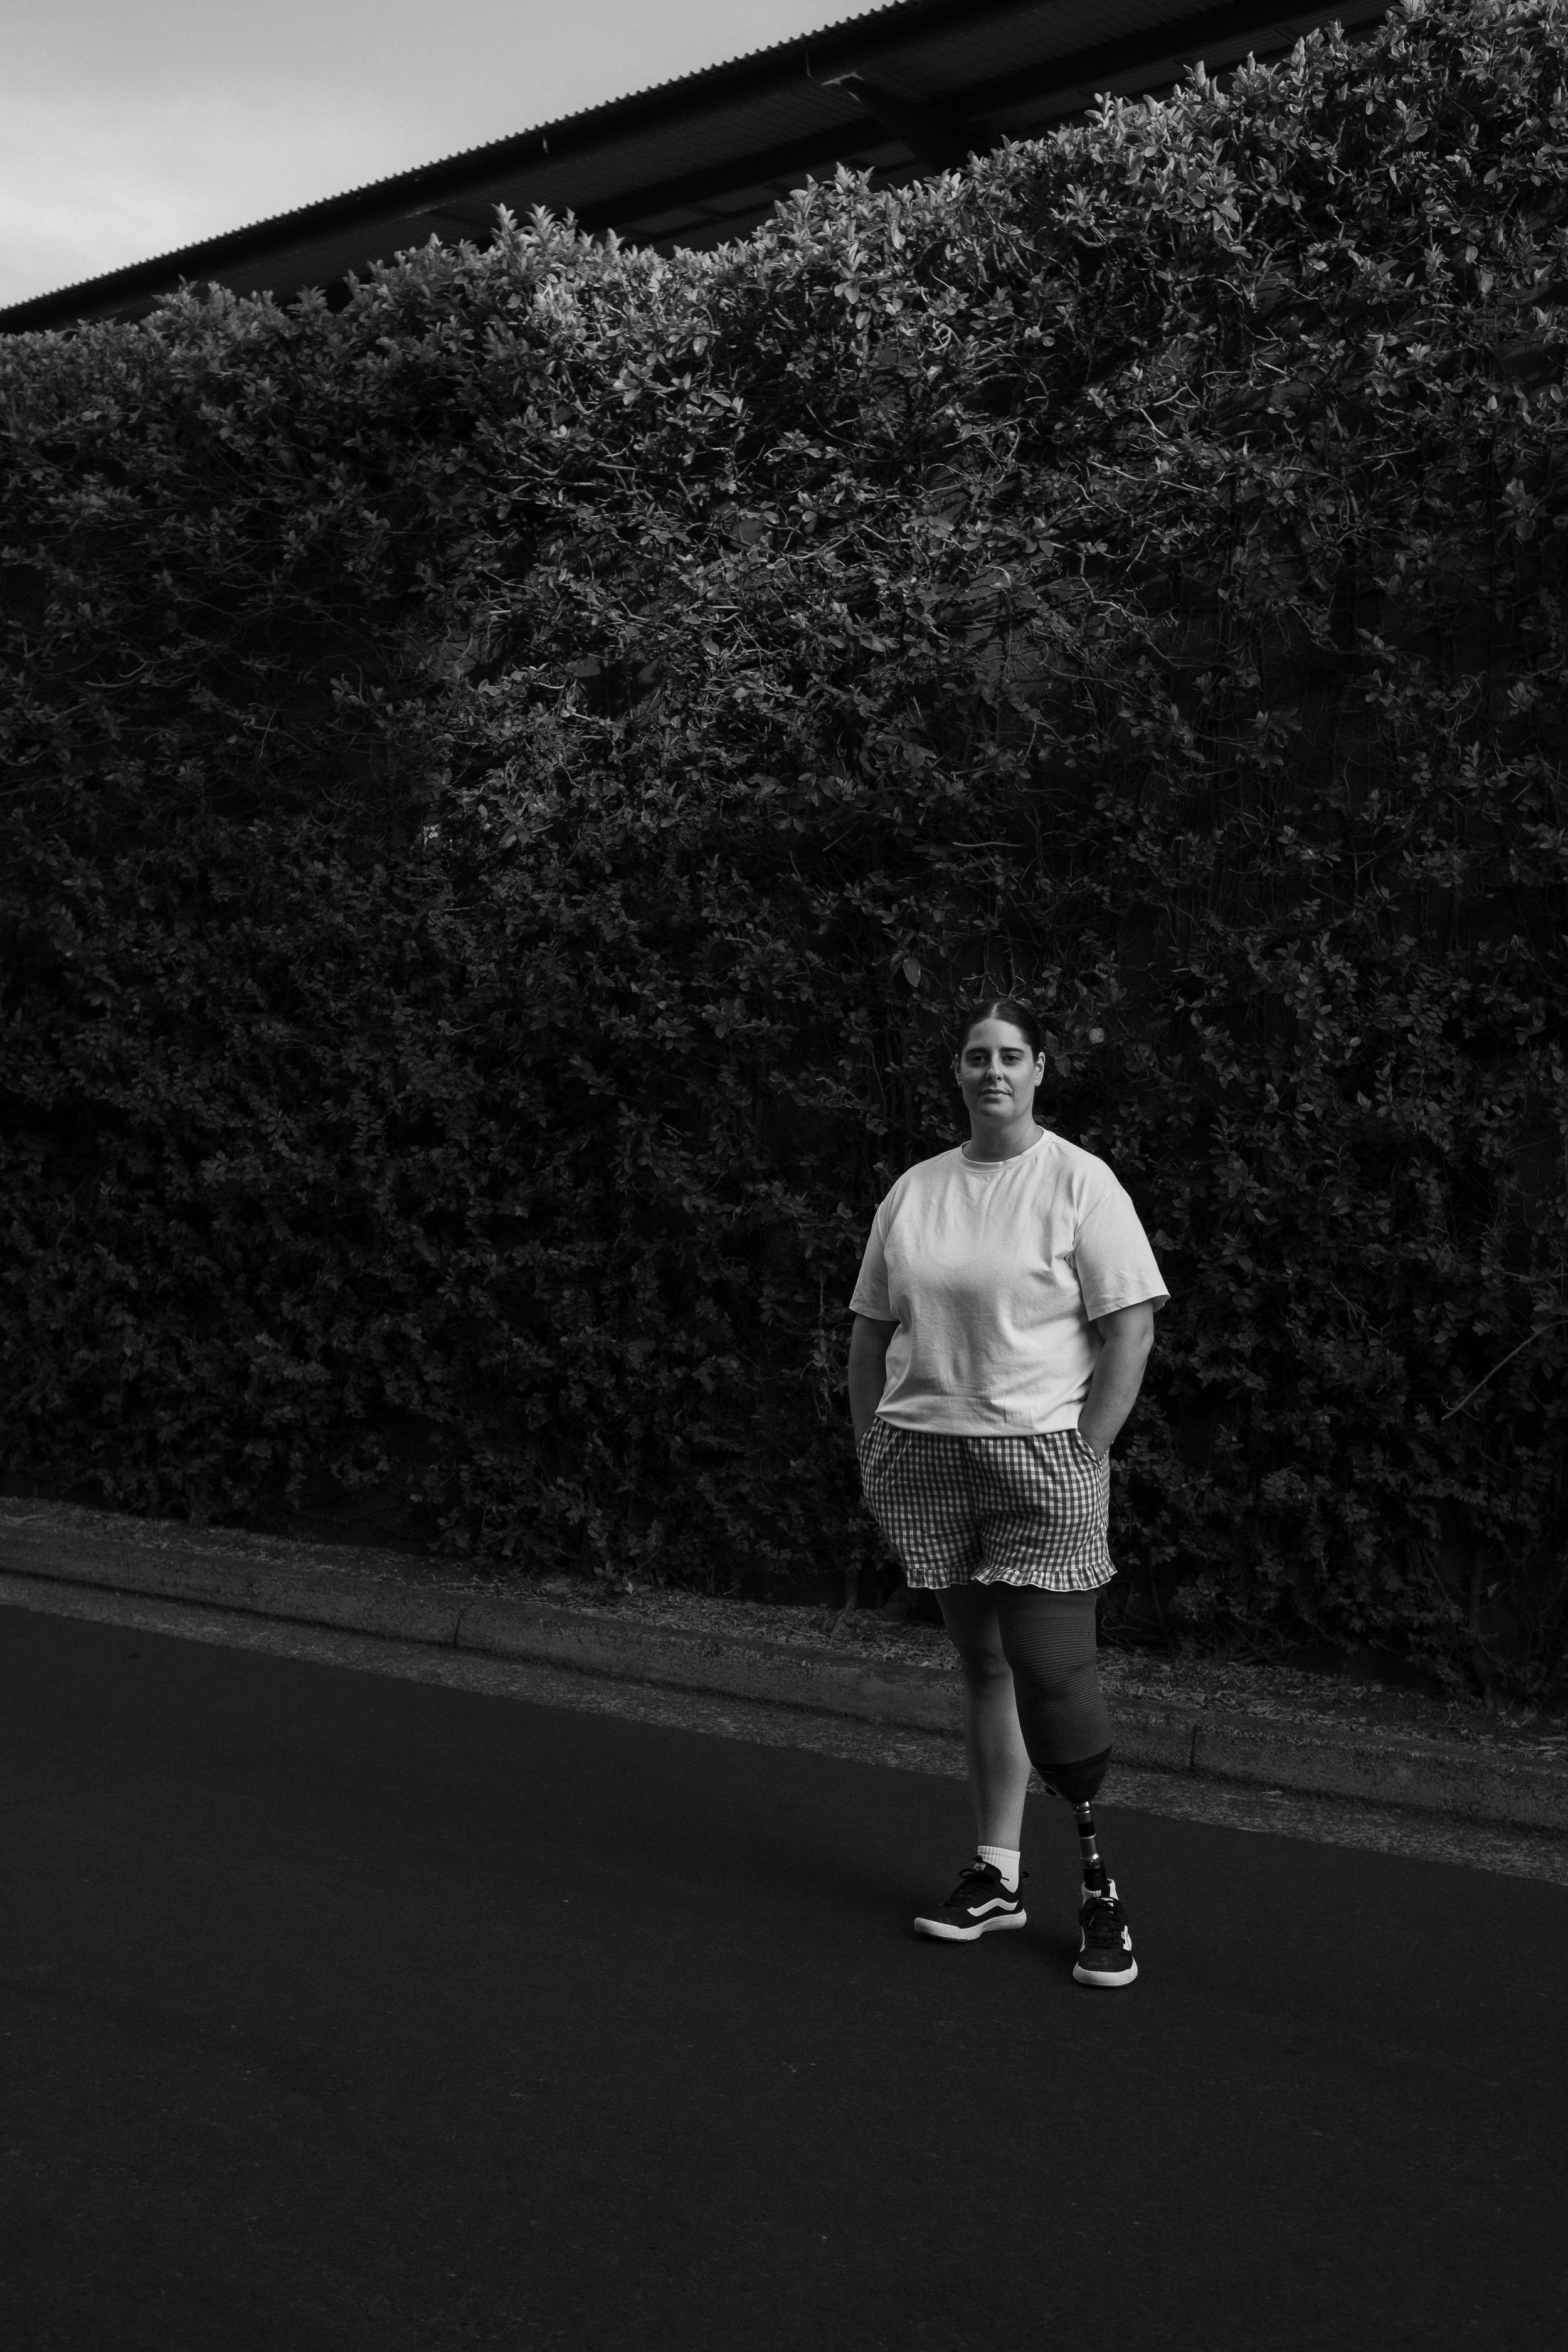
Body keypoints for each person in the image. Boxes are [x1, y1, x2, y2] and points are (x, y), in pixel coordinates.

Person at [847, 997, 1167, 1986]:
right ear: (958, 1071)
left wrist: (1088, 1446)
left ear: (1039, 1071)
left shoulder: (1079, 1181)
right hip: (928, 1461)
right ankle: (998, 1874)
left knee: (1053, 1674)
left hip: (1041, 1462)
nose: (993, 1070)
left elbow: (1132, 1326)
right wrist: (871, 1444)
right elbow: (870, 1329)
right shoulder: (916, 1190)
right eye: (977, 1056)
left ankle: (1102, 1895)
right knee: (982, 1663)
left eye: (1011, 1055)